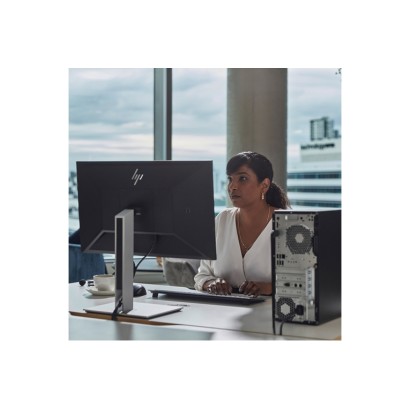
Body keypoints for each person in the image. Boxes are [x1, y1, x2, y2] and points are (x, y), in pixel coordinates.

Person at [194, 151, 290, 297]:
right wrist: (211, 283)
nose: (232, 186)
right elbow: (202, 275)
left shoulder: (288, 225)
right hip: (223, 308)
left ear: (264, 185)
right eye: (230, 179)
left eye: (242, 179)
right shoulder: (222, 219)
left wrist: (269, 287)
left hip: (272, 310)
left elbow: (306, 282)